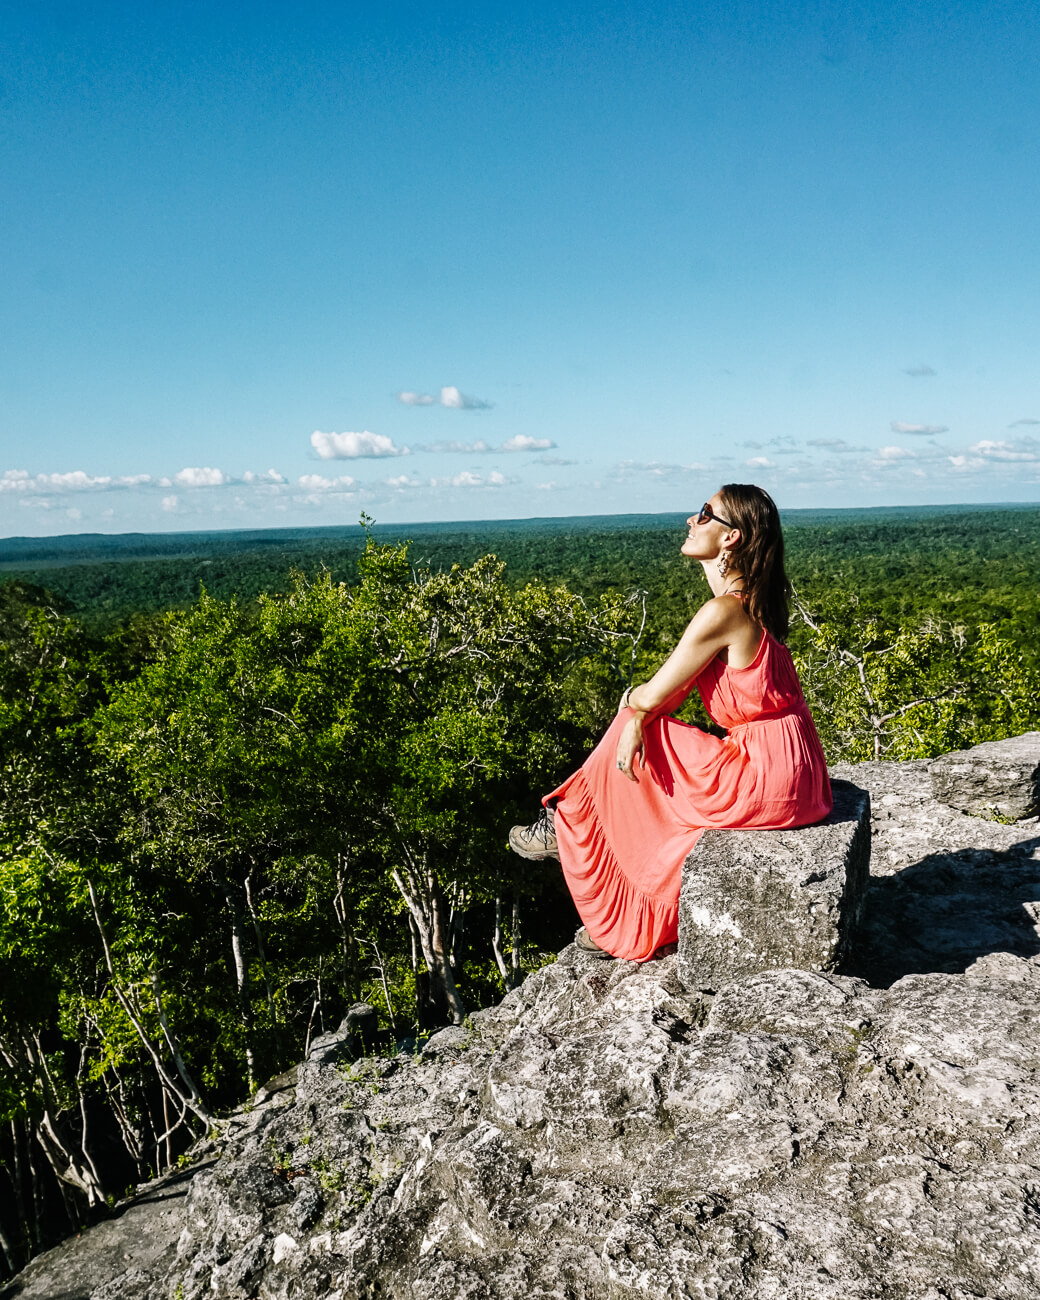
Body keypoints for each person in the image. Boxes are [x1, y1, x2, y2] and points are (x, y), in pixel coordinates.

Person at [508, 484, 832, 961]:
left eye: (705, 513)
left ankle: (567, 821)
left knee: (631, 724)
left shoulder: (724, 611)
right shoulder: (751, 604)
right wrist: (643, 709)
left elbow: (652, 694)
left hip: (765, 774)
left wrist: (634, 709)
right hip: (796, 773)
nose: (691, 519)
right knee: (640, 727)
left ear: (731, 538)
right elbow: (671, 693)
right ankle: (576, 831)